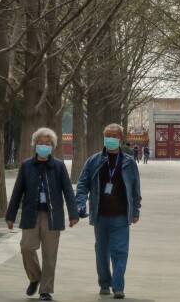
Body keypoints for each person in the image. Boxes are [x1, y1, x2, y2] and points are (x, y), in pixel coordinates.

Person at [6, 128, 79, 300]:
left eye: (48, 143)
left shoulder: (59, 166)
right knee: (26, 248)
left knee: (49, 254)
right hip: (31, 214)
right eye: (41, 143)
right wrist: (10, 215)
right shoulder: (26, 165)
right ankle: (35, 277)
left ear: (53, 146)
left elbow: (68, 190)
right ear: (34, 144)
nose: (44, 146)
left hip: (52, 216)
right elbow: (17, 191)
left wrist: (73, 213)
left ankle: (45, 290)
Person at [76, 123, 141, 299]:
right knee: (101, 251)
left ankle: (118, 287)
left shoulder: (128, 162)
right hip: (100, 214)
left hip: (121, 215)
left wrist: (136, 210)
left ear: (120, 138)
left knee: (120, 251)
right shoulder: (94, 161)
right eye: (107, 135)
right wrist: (80, 203)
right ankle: (104, 283)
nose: (110, 139)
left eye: (114, 136)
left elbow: (135, 189)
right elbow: (82, 184)